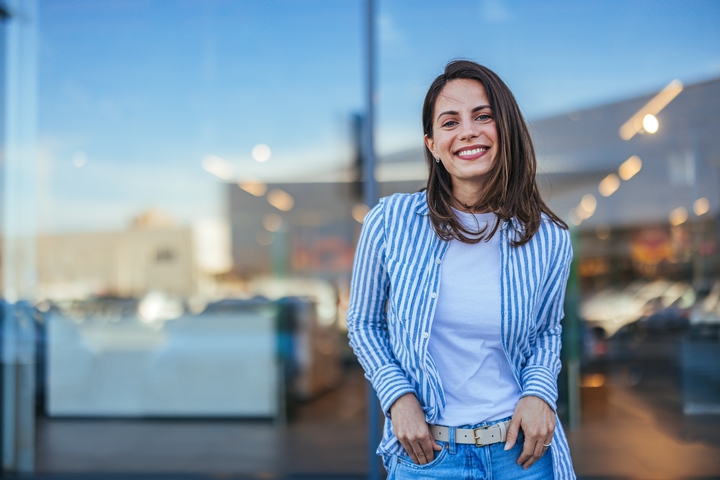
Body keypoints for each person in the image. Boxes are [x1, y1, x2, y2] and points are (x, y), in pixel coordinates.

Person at [346, 60, 576, 479]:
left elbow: (547, 331)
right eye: (450, 122)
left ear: (505, 129)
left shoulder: (550, 238)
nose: (468, 131)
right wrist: (397, 397)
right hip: (428, 456)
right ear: (432, 145)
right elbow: (364, 323)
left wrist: (540, 392)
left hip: (521, 455)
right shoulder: (390, 221)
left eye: (483, 116)